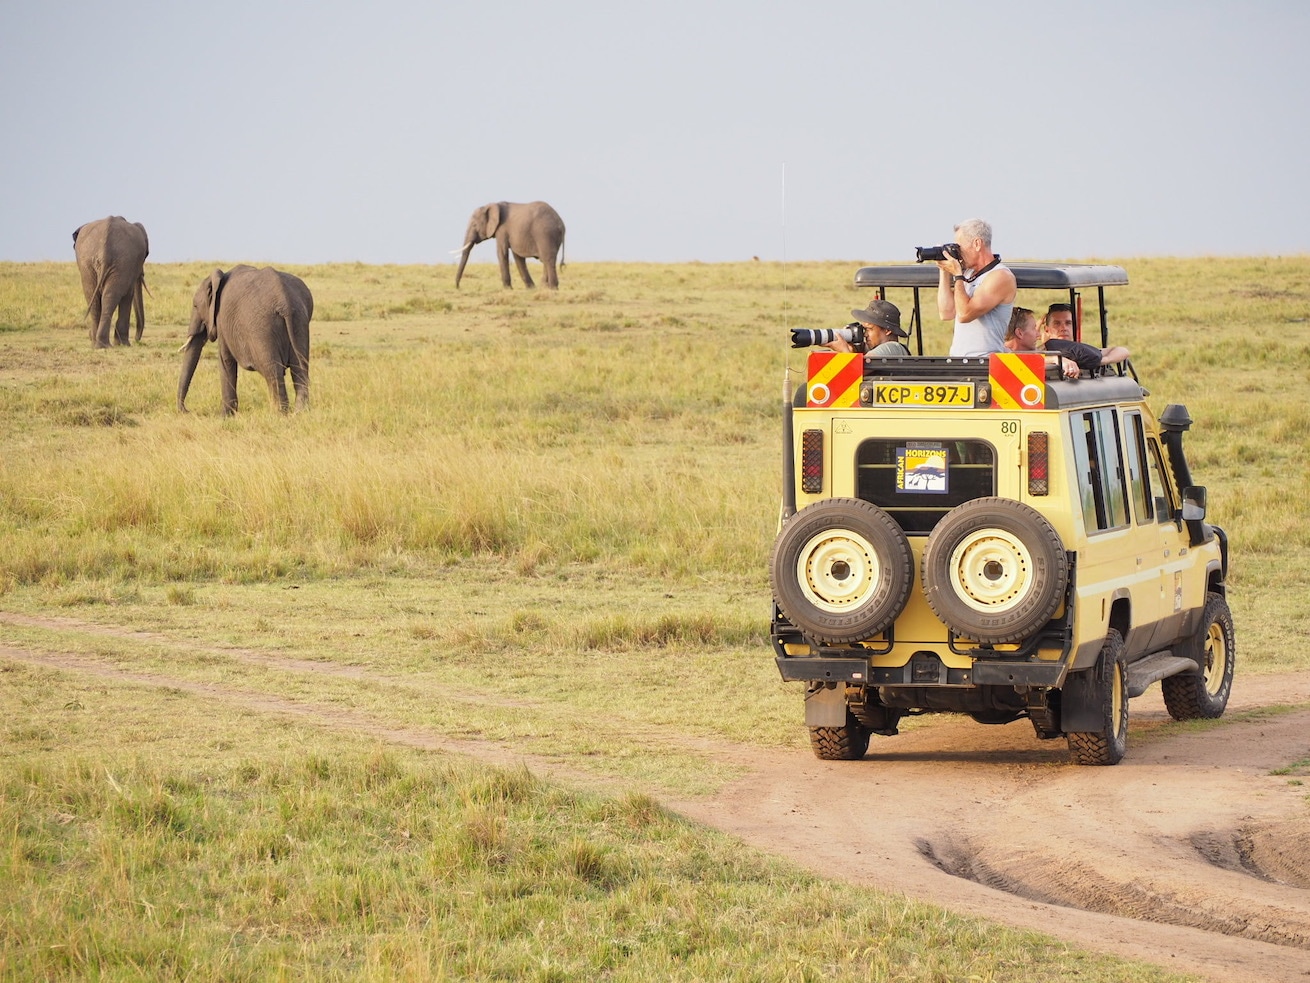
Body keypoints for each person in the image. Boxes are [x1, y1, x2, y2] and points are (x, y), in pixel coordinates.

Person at [934, 218, 1016, 357]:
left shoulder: (1000, 276)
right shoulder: (969, 274)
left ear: (977, 244)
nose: (957, 252)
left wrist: (958, 276)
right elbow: (946, 313)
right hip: (959, 362)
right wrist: (944, 270)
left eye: (959, 247)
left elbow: (965, 314)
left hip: (985, 364)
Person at [1005, 307, 1130, 379]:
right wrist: (1057, 359)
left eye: (1068, 323)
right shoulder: (999, 354)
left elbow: (1122, 351)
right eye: (1034, 329)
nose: (1038, 335)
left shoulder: (1072, 351)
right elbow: (1011, 360)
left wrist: (1101, 361)